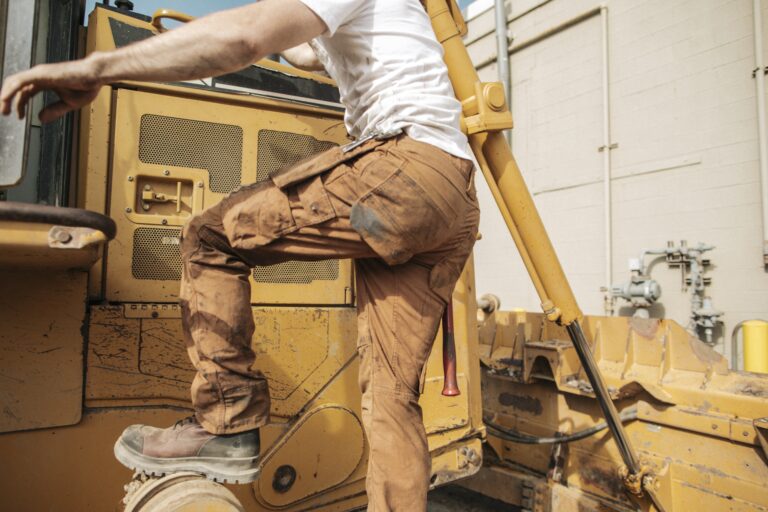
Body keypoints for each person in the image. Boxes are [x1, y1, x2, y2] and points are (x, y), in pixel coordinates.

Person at [0, 0, 479, 509]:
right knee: (391, 398)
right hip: (434, 208)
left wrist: (97, 66)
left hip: (402, 174)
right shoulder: (375, 20)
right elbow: (298, 52)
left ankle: (227, 421)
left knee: (210, 238)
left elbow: (247, 37)